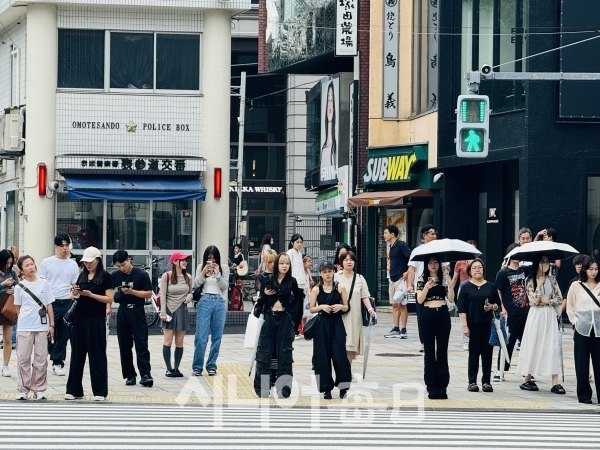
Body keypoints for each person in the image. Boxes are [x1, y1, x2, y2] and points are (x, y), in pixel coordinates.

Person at [65, 247, 113, 401]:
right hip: (80, 318)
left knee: (97, 354)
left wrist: (91, 294)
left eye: (90, 262)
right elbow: (75, 297)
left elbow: (109, 299)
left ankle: (99, 391)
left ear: (98, 260)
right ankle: (74, 390)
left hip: (96, 318)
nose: (88, 264)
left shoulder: (105, 276)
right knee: (77, 354)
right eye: (85, 262)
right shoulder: (82, 275)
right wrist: (75, 293)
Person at [253, 253, 303, 398]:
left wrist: (293, 320)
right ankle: (262, 388)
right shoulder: (267, 279)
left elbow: (297, 302)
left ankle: (284, 389)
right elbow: (259, 301)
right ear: (276, 265)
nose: (284, 266)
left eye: (287, 263)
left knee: (285, 353)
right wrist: (265, 295)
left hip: (285, 319)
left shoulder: (292, 282)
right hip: (269, 318)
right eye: (281, 263)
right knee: (264, 352)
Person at [517, 254, 564, 394]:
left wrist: (548, 302)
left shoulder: (552, 279)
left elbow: (559, 297)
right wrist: (540, 284)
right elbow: (533, 301)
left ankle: (555, 381)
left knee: (552, 344)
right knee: (534, 344)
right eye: (543, 261)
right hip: (536, 315)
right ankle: (527, 377)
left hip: (549, 314)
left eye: (547, 262)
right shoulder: (530, 280)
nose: (546, 264)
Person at [38, 234, 80, 377]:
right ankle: (41, 359)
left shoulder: (73, 264)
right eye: (61, 245)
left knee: (63, 334)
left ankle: (58, 362)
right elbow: (42, 283)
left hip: (67, 301)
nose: (64, 248)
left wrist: (75, 293)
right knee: (45, 332)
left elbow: (74, 284)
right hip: (50, 302)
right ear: (55, 246)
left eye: (67, 245)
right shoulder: (47, 262)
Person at [13, 255, 55, 400]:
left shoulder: (44, 284)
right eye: (27, 265)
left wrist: (51, 324)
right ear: (21, 270)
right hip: (25, 326)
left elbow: (49, 305)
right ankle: (23, 389)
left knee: (41, 358)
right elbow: (18, 308)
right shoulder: (19, 287)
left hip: (42, 326)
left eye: (32, 264)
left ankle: (39, 388)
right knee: (23, 358)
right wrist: (25, 319)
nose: (31, 267)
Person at [457, 259, 501, 393]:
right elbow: (462, 308)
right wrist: (465, 326)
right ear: (470, 271)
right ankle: (472, 381)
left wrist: (492, 306)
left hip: (487, 324)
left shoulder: (491, 286)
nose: (477, 270)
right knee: (474, 353)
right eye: (475, 268)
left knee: (487, 353)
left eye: (480, 267)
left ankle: (486, 382)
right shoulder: (465, 287)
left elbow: (497, 305)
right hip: (473, 324)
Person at [111, 250, 154, 387]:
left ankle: (145, 374)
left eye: (123, 264)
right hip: (123, 311)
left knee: (141, 344)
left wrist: (132, 292)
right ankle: (129, 375)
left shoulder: (141, 275)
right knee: (124, 345)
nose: (121, 268)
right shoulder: (115, 275)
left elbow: (148, 293)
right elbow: (109, 292)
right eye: (118, 266)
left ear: (129, 260)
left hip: (137, 311)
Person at [310, 261, 351, 399]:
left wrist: (340, 307)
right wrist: (321, 307)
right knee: (322, 357)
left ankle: (343, 387)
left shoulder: (340, 288)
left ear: (333, 272)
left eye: (330, 271)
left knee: (340, 356)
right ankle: (326, 388)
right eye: (324, 272)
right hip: (322, 325)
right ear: (320, 273)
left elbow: (346, 307)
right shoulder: (316, 289)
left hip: (337, 323)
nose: (328, 274)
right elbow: (311, 308)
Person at [416, 254, 454, 399]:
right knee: (429, 352)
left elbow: (450, 298)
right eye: (430, 262)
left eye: (435, 262)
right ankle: (431, 387)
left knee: (443, 352)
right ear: (426, 265)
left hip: (442, 314)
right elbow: (419, 300)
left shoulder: (444, 278)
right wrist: (426, 287)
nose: (433, 265)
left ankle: (442, 387)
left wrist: (450, 283)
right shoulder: (421, 279)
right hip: (427, 314)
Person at [493, 243, 530, 382]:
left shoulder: (524, 270)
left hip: (526, 311)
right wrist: (502, 307)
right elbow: (498, 291)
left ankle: (527, 372)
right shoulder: (503, 272)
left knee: (527, 343)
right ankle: (500, 369)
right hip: (511, 312)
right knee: (508, 342)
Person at [566, 256, 600, 403]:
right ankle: (584, 395)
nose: (593, 272)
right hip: (582, 329)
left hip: (598, 329)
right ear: (584, 269)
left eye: (596, 269)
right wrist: (575, 321)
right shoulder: (576, 285)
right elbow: (570, 307)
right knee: (582, 364)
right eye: (590, 269)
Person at [192, 245, 229, 376]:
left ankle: (211, 365)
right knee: (201, 336)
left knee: (217, 336)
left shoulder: (224, 268)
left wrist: (218, 274)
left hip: (219, 302)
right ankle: (197, 367)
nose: (211, 261)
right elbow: (195, 284)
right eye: (209, 258)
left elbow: (225, 287)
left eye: (214, 259)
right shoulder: (200, 267)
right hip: (205, 300)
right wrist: (203, 273)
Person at [335, 251, 376, 367]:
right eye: (346, 260)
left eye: (351, 259)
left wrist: (370, 309)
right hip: (339, 315)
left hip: (354, 316)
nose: (349, 262)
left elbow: (365, 296)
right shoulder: (335, 276)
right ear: (341, 262)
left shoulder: (359, 278)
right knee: (339, 343)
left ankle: (347, 370)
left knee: (351, 344)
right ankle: (339, 369)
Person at [158, 252, 192, 378]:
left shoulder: (188, 276)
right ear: (175, 262)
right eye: (182, 260)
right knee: (168, 340)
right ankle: (169, 369)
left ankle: (176, 368)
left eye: (185, 260)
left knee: (180, 341)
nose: (185, 262)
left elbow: (191, 292)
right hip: (169, 310)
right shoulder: (166, 276)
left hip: (182, 310)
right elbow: (162, 295)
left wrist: (189, 296)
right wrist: (162, 312)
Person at [407, 224, 437, 351]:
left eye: (435, 233)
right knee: (422, 316)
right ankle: (424, 341)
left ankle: (436, 340)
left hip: (436, 284)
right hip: (421, 286)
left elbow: (446, 267)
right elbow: (411, 269)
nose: (434, 236)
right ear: (424, 235)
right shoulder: (417, 251)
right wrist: (409, 285)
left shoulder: (439, 250)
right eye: (431, 233)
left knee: (436, 315)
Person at [383, 225, 412, 339]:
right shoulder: (391, 246)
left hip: (401, 278)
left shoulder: (401, 245)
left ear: (392, 234)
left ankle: (403, 329)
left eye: (386, 233)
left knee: (402, 305)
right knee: (394, 305)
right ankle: (396, 328)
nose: (384, 235)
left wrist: (407, 271)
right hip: (392, 278)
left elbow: (411, 257)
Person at [286, 234, 308, 334]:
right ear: (292, 243)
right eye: (297, 242)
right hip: (293, 284)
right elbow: (288, 269)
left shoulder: (299, 253)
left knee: (300, 310)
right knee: (294, 310)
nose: (299, 244)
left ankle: (295, 331)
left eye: (301, 242)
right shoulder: (290, 253)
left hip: (301, 284)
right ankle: (292, 330)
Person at [0, 250, 17, 377]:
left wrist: (13, 289)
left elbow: (20, 287)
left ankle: (5, 365)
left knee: (7, 338)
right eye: (6, 263)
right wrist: (3, 284)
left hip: (8, 306)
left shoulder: (12, 273)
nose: (8, 265)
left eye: (10, 263)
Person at [320, 82, 337, 183]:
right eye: (328, 101)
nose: (330, 106)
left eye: (332, 101)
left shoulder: (335, 147)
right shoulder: (323, 148)